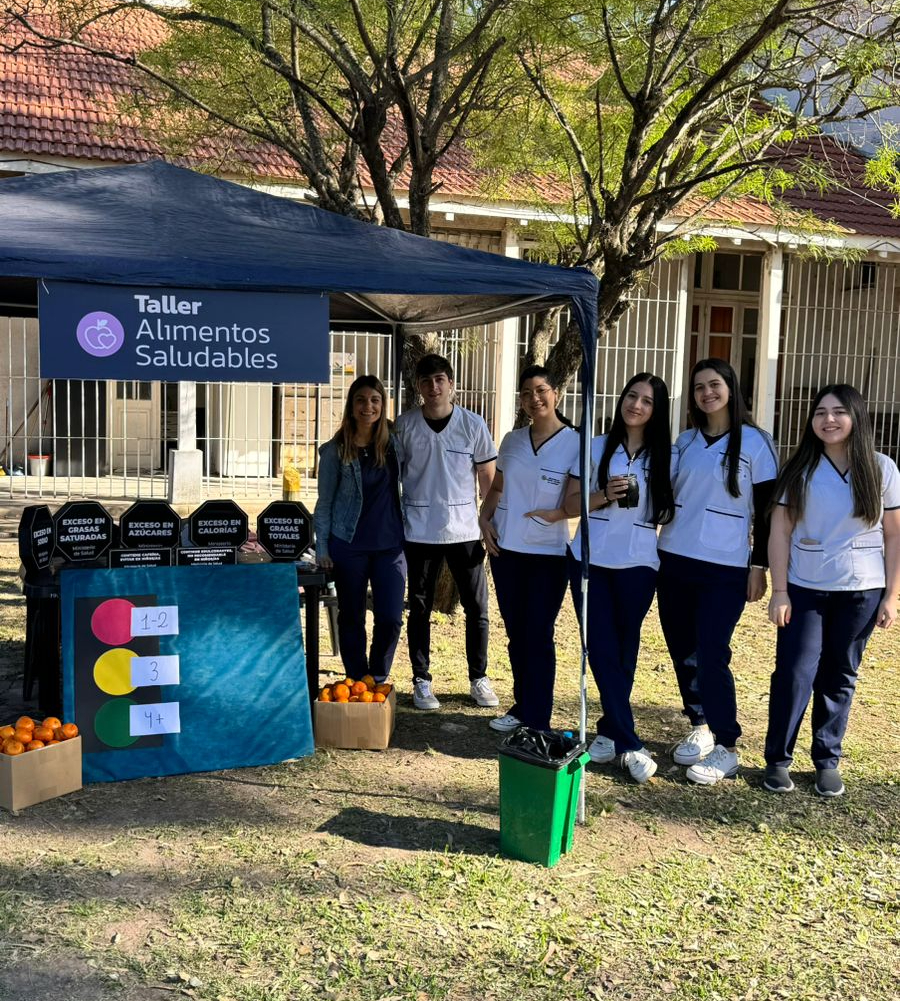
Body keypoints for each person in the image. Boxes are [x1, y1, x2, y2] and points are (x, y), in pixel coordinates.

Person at [763, 384, 900, 797]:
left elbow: (893, 536)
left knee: (840, 674)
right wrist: (780, 590)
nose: (828, 419)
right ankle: (778, 760)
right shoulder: (799, 469)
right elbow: (780, 532)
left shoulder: (881, 469)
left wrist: (891, 596)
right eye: (820, 412)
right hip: (805, 589)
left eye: (838, 411)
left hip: (861, 590)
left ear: (856, 417)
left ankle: (827, 760)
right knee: (794, 673)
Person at [656, 358, 778, 785]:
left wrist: (759, 567)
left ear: (731, 388)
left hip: (725, 566)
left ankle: (727, 743)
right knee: (681, 648)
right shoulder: (684, 442)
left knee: (711, 653)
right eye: (699, 387)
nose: (707, 393)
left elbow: (766, 514)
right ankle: (700, 723)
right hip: (672, 559)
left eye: (715, 384)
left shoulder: (757, 444)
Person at [562, 373, 676, 782]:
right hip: (590, 560)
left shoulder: (667, 455)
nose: (637, 405)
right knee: (601, 647)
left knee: (625, 649)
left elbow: (670, 511)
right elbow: (570, 504)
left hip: (639, 564)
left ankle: (610, 730)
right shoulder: (594, 447)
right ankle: (629, 742)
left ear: (656, 410)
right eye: (632, 396)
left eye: (647, 401)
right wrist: (605, 494)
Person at [394, 354, 499, 711]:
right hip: (419, 530)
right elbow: (392, 476)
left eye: (440, 380)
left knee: (477, 608)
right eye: (426, 381)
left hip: (465, 529)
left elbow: (488, 480)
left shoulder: (472, 425)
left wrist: (488, 521)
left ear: (451, 385)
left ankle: (478, 678)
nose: (434, 387)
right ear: (419, 388)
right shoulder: (404, 426)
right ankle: (422, 681)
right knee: (420, 608)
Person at [478, 365, 579, 733]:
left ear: (556, 394)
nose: (533, 398)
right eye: (526, 393)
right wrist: (483, 519)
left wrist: (555, 512)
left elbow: (575, 501)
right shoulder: (512, 440)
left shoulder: (575, 442)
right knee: (516, 633)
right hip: (506, 552)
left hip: (547, 556)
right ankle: (522, 706)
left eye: (540, 390)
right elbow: (498, 487)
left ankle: (538, 717)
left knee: (538, 633)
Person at [313, 375, 406, 684]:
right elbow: (324, 504)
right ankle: (356, 679)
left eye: (375, 400)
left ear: (383, 405)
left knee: (391, 617)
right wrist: (323, 549)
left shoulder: (394, 443)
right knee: (351, 617)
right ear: (352, 407)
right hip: (348, 544)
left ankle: (377, 676)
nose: (368, 406)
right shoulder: (336, 451)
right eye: (361, 400)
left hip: (390, 545)